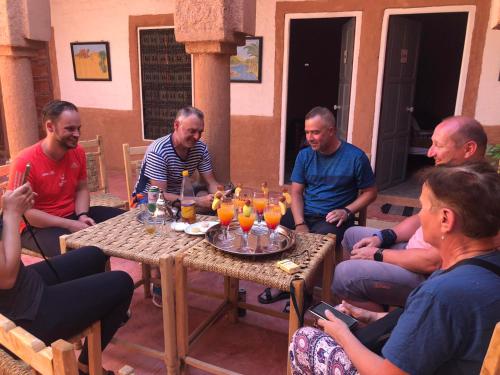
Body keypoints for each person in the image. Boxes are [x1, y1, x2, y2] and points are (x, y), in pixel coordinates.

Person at [290, 162, 500, 375]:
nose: (420, 217)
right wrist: (369, 316)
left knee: (305, 340)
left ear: (445, 219)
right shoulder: (487, 266)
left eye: (424, 208)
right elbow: (433, 331)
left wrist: (342, 334)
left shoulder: (438, 295)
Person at [334, 116, 488, 311]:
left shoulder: (472, 193)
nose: (430, 152)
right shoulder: (451, 180)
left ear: (468, 149)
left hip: (425, 274)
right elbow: (419, 218)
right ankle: (368, 294)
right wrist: (384, 236)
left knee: (344, 274)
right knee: (352, 235)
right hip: (411, 250)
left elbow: (432, 262)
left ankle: (376, 328)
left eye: (438, 145)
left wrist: (378, 254)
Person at [0, 183, 134, 375]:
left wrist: (9, 209)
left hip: (23, 287)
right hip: (19, 315)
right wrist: (12, 214)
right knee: (122, 283)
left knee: (92, 254)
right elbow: (6, 278)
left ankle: (88, 322)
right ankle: (86, 366)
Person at [259, 106, 377, 306]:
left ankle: (304, 292)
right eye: (307, 132)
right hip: (305, 212)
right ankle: (283, 284)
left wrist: (347, 211)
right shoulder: (304, 155)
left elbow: (371, 192)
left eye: (315, 132)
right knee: (273, 230)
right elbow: (296, 192)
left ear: (331, 130)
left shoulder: (355, 157)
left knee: (313, 244)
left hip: (333, 217)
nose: (310, 137)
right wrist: (299, 223)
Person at [8, 100, 124, 257]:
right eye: (70, 129)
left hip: (72, 215)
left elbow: (82, 188)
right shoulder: (25, 161)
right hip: (35, 227)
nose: (77, 134)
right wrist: (70, 224)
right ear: (50, 127)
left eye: (78, 128)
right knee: (82, 253)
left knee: (127, 222)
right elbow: (26, 213)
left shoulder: (77, 152)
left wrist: (82, 215)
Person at [133, 106, 221, 210]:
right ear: (176, 125)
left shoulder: (200, 148)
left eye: (200, 132)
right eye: (192, 131)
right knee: (199, 203)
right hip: (148, 200)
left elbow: (211, 182)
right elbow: (159, 196)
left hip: (179, 196)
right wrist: (197, 201)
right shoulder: (158, 152)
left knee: (206, 196)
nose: (197, 137)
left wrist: (220, 194)